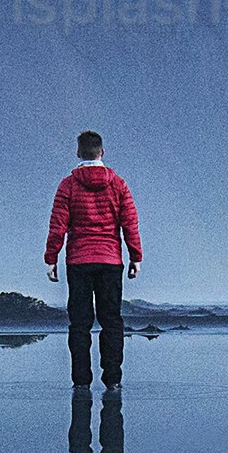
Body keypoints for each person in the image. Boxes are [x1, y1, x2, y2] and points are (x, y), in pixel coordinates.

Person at [45, 129, 142, 390]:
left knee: (80, 324)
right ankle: (113, 380)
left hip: (78, 262)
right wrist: (136, 256)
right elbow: (130, 223)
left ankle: (81, 382)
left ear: (78, 153)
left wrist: (51, 258)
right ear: (103, 152)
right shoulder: (119, 184)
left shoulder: (68, 185)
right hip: (110, 261)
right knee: (111, 321)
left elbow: (58, 226)